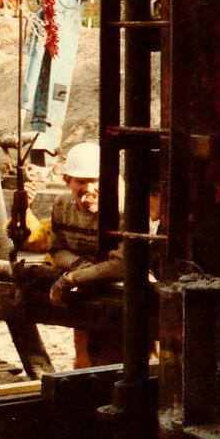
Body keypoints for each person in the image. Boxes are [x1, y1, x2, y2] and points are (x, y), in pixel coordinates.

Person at [43, 141, 125, 366]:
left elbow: (123, 264)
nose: (88, 189)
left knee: (119, 363)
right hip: (85, 293)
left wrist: (73, 278)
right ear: (67, 181)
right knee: (85, 360)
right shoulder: (61, 205)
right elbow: (55, 248)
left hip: (120, 296)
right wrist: (79, 266)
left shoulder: (124, 211)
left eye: (95, 181)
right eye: (81, 181)